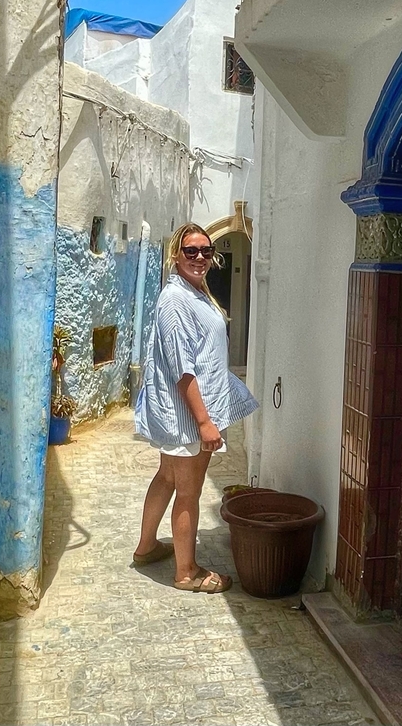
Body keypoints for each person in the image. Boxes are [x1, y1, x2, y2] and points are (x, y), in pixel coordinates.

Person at [133, 222, 259, 593]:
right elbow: (181, 368)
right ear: (176, 255)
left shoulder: (193, 292)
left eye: (206, 251)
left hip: (184, 412)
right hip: (187, 414)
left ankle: (146, 548)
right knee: (188, 490)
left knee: (168, 477)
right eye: (192, 251)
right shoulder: (175, 300)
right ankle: (186, 572)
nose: (200, 257)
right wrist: (204, 422)